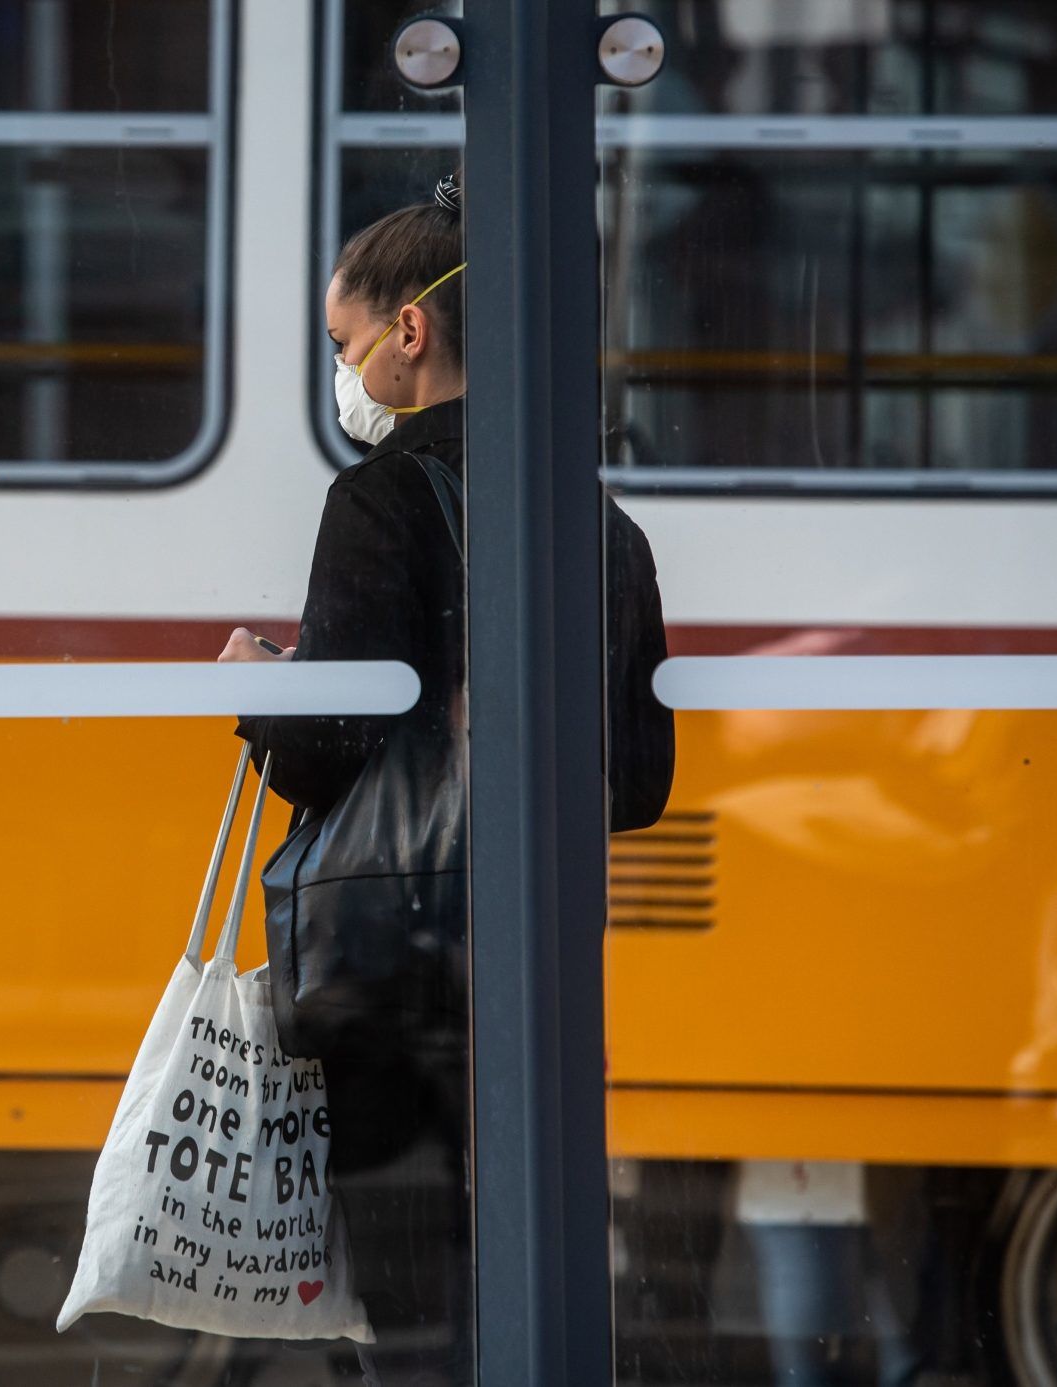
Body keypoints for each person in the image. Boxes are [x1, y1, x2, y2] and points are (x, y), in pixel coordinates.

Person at [220, 179, 673, 1383]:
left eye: (340, 340)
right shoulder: (601, 527)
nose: (342, 364)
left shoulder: (376, 501)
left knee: (411, 1308)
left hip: (389, 975)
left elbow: (320, 751)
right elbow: (632, 783)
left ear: (406, 332)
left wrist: (264, 687)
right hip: (535, 977)